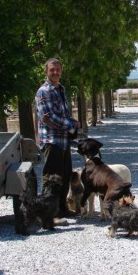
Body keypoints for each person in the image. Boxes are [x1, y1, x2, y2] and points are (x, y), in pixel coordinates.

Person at [35, 58, 80, 219]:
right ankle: (49, 214)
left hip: (63, 140)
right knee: (51, 178)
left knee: (65, 175)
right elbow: (48, 117)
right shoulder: (44, 91)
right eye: (52, 70)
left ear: (61, 71)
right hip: (51, 141)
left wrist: (71, 123)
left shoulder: (61, 88)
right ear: (46, 72)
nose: (55, 72)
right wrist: (71, 124)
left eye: (57, 70)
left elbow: (64, 113)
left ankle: (62, 208)